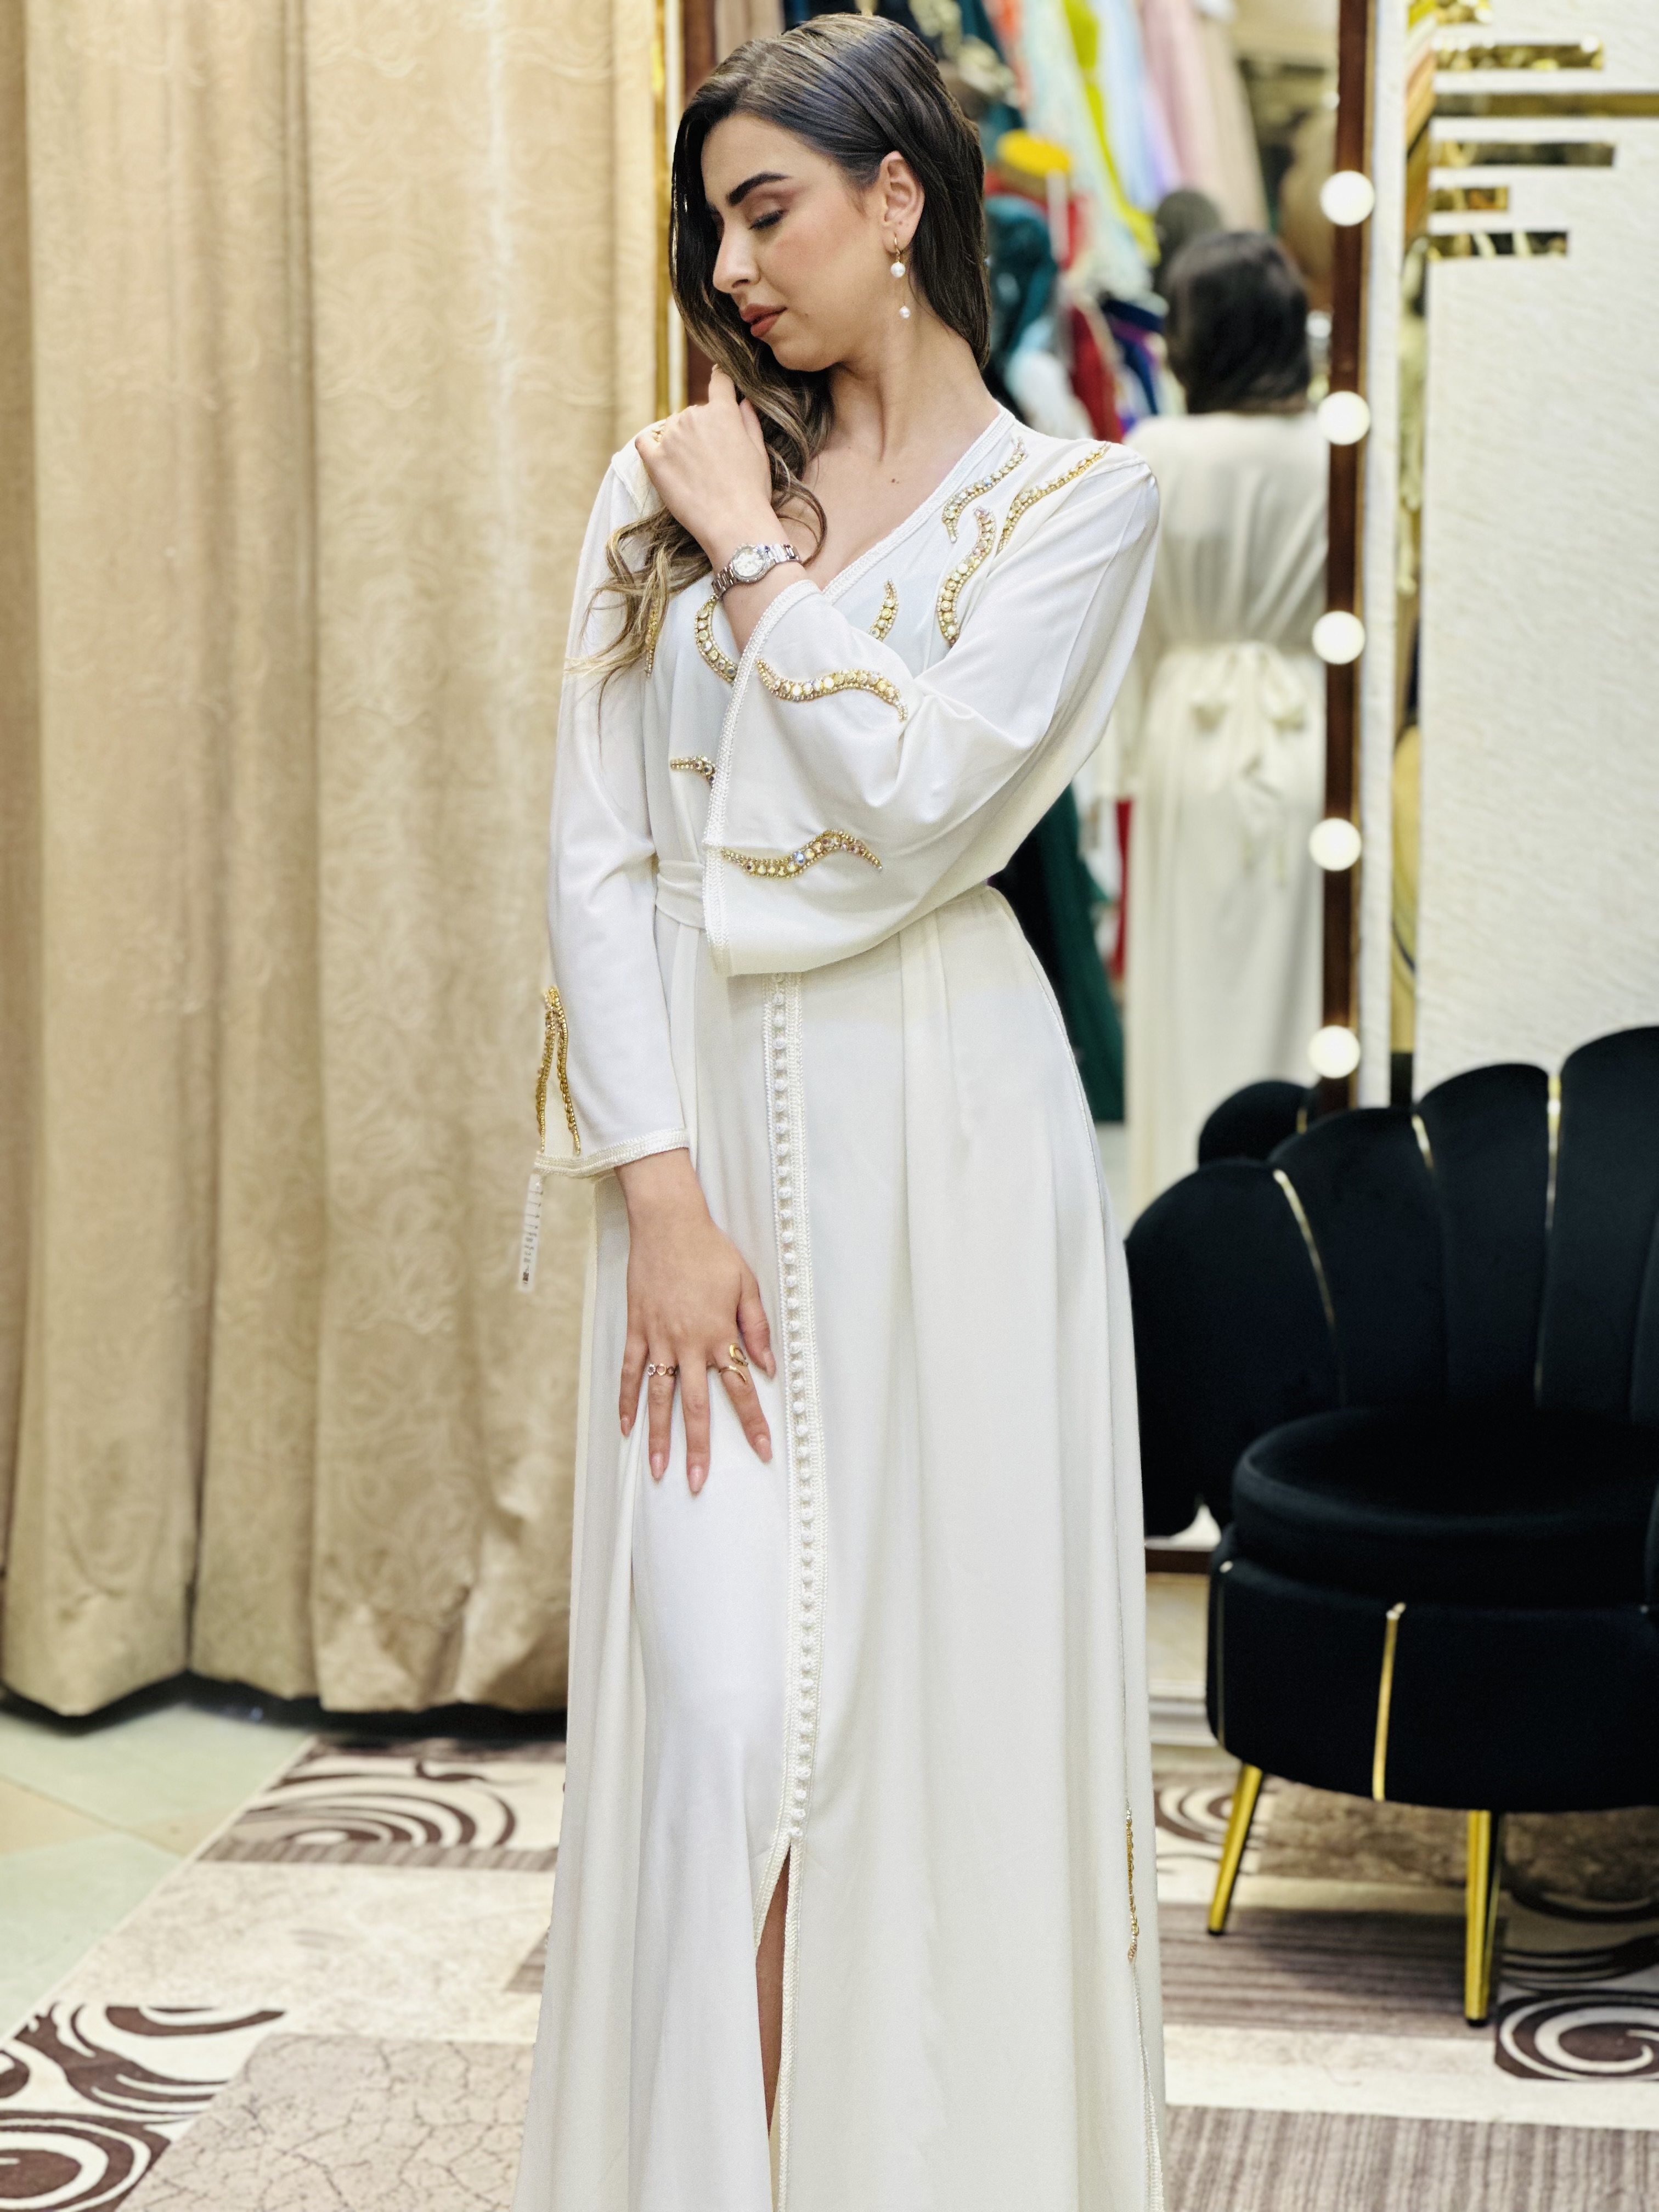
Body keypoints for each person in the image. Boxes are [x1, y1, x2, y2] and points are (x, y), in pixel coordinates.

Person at [512, 19, 1165, 2212]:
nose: (730, 268)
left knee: (926, 1723)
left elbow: (923, 803)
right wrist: (660, 1198)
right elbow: (600, 851)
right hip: (702, 1146)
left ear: (900, 201)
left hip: (952, 1140)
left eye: (766, 210)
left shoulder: (1082, 507)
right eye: (710, 224)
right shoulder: (663, 481)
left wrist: (761, 567)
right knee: (721, 1720)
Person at [1115, 230, 1328, 1209]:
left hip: (1187, 736)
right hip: (1306, 729)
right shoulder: (1335, 450)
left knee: (1186, 996)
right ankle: (1302, 1210)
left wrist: (1126, 751)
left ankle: (1186, 1212)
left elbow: (1131, 628)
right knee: (1302, 994)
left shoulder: (1157, 455)